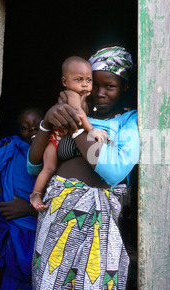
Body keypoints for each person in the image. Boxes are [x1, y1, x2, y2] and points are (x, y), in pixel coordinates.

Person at [27, 46, 140, 290]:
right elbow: (34, 165)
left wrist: (78, 129)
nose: (98, 92)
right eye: (91, 83)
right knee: (51, 288)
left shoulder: (128, 122)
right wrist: (47, 122)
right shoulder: (68, 111)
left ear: (125, 88)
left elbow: (113, 171)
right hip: (57, 215)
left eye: (109, 86)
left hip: (99, 219)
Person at [30, 56, 108, 211]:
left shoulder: (84, 97)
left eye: (89, 80)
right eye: (79, 80)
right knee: (49, 168)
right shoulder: (71, 95)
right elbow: (78, 114)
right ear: (65, 82)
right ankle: (35, 194)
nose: (85, 84)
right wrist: (91, 130)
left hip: (63, 138)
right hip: (55, 138)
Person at [0, 108, 43, 290]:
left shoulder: (55, 153)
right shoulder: (10, 150)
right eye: (24, 127)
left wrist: (30, 209)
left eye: (38, 124)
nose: (32, 130)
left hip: (41, 232)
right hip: (14, 233)